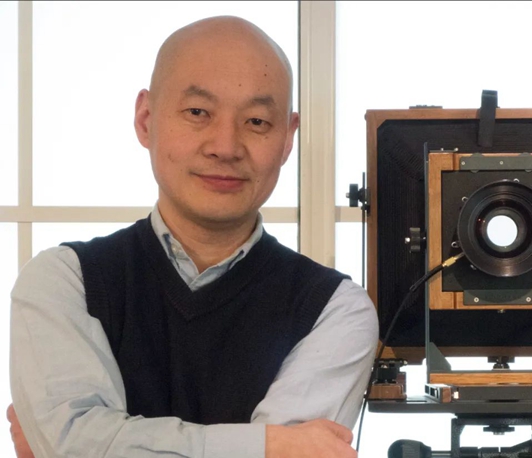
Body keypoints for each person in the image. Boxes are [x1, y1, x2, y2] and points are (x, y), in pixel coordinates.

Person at [8, 15, 378, 458]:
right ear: (146, 119)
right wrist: (267, 444)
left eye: (257, 121)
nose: (225, 146)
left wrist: (94, 441)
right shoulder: (65, 281)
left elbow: (74, 446)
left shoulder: (334, 309)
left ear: (287, 139)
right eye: (198, 113)